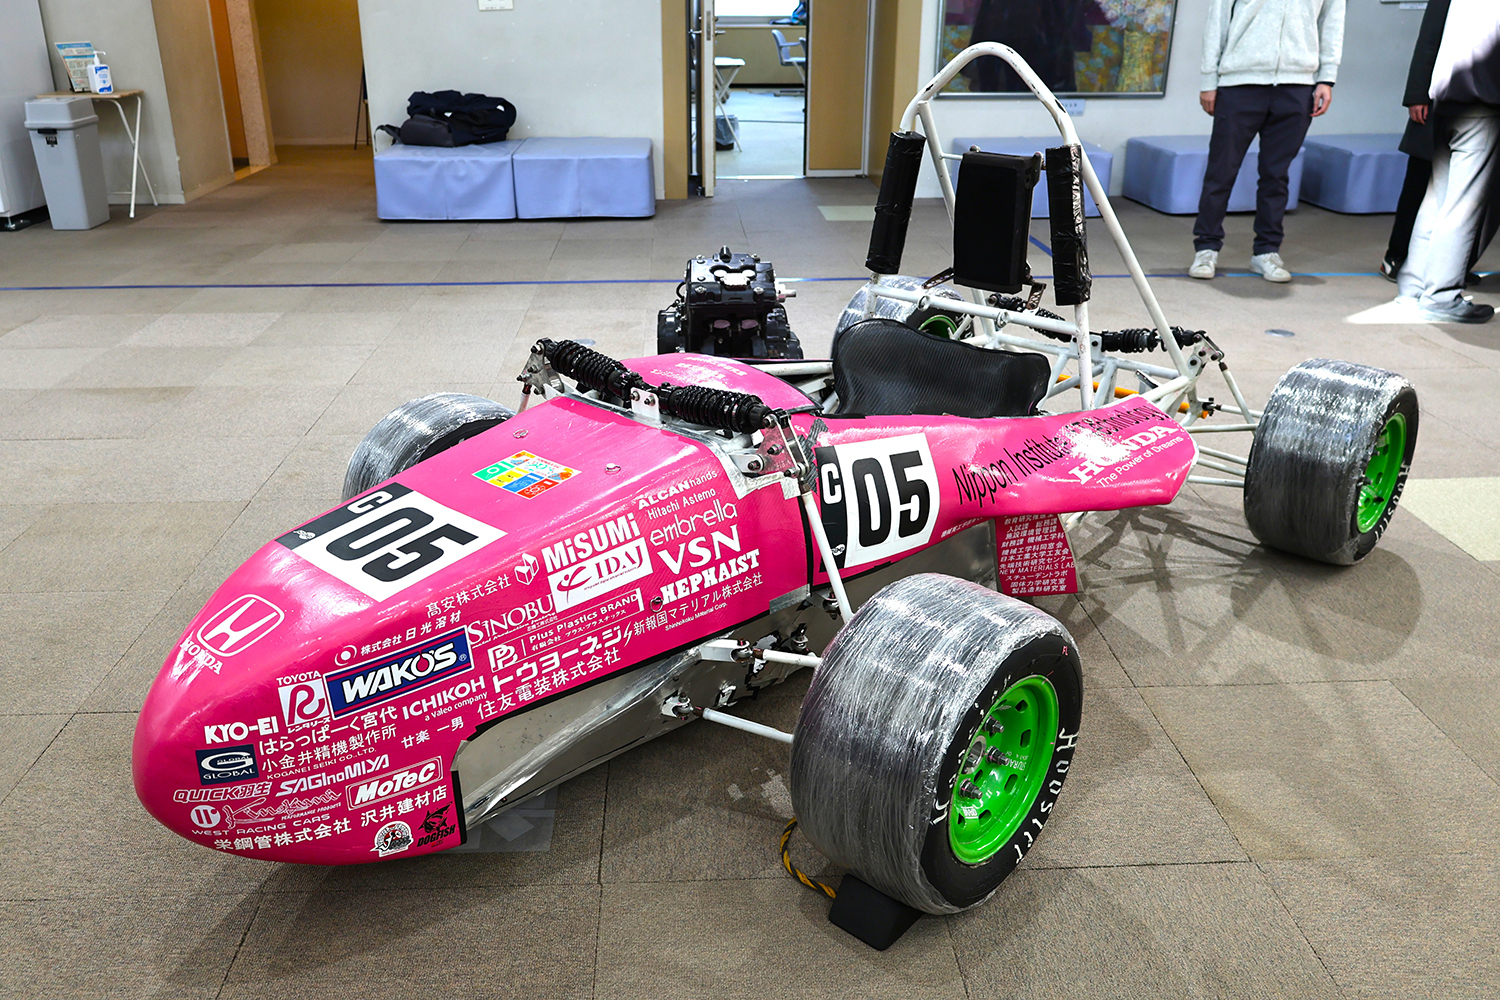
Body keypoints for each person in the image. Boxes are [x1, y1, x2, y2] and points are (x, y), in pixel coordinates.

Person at [1188, 0, 1345, 283]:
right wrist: (1209, 79)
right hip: (1239, 82)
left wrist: (1327, 78)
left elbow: (1332, 21)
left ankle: (1266, 251)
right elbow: (1217, 19)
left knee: (1276, 175)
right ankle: (1206, 247)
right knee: (1221, 171)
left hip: (1297, 85)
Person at [1394, 0, 1500, 323]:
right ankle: (1441, 296)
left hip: (1446, 101)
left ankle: (1412, 288)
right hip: (1482, 104)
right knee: (1462, 206)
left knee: (1436, 199)